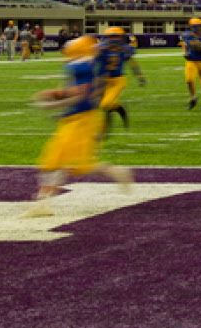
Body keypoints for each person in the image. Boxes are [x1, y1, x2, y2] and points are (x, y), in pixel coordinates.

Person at [28, 34, 131, 216]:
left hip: (83, 120)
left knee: (57, 161)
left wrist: (55, 103)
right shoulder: (86, 64)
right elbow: (75, 91)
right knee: (71, 163)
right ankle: (116, 172)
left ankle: (42, 204)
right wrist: (58, 95)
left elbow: (80, 95)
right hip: (78, 118)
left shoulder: (82, 66)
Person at [96, 26, 144, 130]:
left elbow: (132, 63)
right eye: (111, 37)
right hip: (103, 80)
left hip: (117, 80)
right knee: (104, 104)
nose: (113, 39)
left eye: (115, 36)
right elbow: (91, 62)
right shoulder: (101, 49)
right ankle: (111, 121)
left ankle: (108, 125)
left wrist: (139, 76)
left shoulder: (125, 49)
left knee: (105, 104)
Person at [182, 16, 201, 109]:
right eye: (195, 26)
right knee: (189, 80)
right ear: (191, 27)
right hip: (191, 60)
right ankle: (193, 99)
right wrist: (185, 53)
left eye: (199, 26)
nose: (197, 28)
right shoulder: (187, 35)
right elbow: (185, 44)